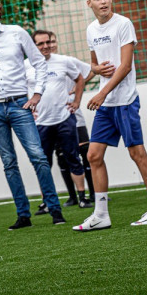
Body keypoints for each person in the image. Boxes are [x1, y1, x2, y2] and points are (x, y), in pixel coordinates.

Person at [0, 0, 65, 228]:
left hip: (20, 105)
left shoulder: (17, 32)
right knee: (9, 162)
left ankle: (55, 210)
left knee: (38, 156)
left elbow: (39, 63)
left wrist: (37, 94)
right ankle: (23, 215)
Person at [72, 0, 147, 231]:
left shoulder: (123, 24)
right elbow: (94, 64)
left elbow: (125, 66)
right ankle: (101, 215)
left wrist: (102, 93)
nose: (103, 2)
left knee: (136, 153)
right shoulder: (91, 29)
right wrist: (95, 70)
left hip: (124, 101)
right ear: (89, 3)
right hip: (106, 104)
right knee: (93, 156)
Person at [25, 29, 92, 209]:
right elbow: (20, 91)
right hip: (40, 123)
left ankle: (82, 197)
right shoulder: (25, 66)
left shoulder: (63, 61)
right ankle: (46, 202)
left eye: (48, 42)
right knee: (42, 163)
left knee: (73, 158)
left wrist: (76, 101)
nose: (45, 46)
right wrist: (27, 111)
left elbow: (80, 79)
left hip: (65, 119)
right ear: (33, 46)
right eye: (40, 44)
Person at [50, 31, 95, 208]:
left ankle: (93, 193)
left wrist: (76, 89)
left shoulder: (67, 61)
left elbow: (90, 71)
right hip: (53, 120)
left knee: (86, 154)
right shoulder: (37, 65)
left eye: (53, 41)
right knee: (62, 158)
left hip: (74, 117)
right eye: (46, 42)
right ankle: (72, 196)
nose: (50, 45)